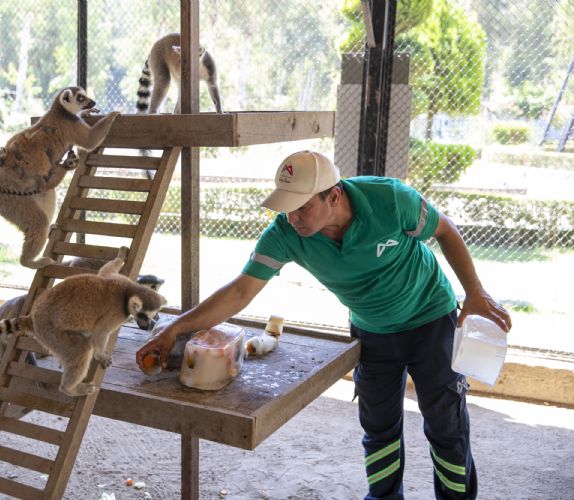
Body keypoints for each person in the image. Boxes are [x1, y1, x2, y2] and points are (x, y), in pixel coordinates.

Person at [136, 150, 512, 500]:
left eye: (300, 208)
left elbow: (444, 230)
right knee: (379, 428)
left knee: (445, 425)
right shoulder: (286, 234)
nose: (291, 218)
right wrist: (175, 329)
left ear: (333, 197)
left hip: (430, 318)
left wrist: (475, 293)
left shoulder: (391, 200)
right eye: (286, 208)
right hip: (372, 330)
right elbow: (239, 291)